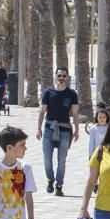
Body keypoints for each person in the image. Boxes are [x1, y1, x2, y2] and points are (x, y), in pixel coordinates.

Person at [36, 67, 80, 196]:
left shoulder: (72, 94)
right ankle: (50, 179)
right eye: (59, 75)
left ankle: (59, 185)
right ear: (55, 76)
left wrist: (77, 130)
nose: (61, 78)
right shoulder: (48, 92)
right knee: (47, 159)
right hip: (49, 127)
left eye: (64, 76)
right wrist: (38, 128)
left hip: (65, 129)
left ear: (67, 77)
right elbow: (42, 111)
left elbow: (75, 112)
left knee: (62, 160)